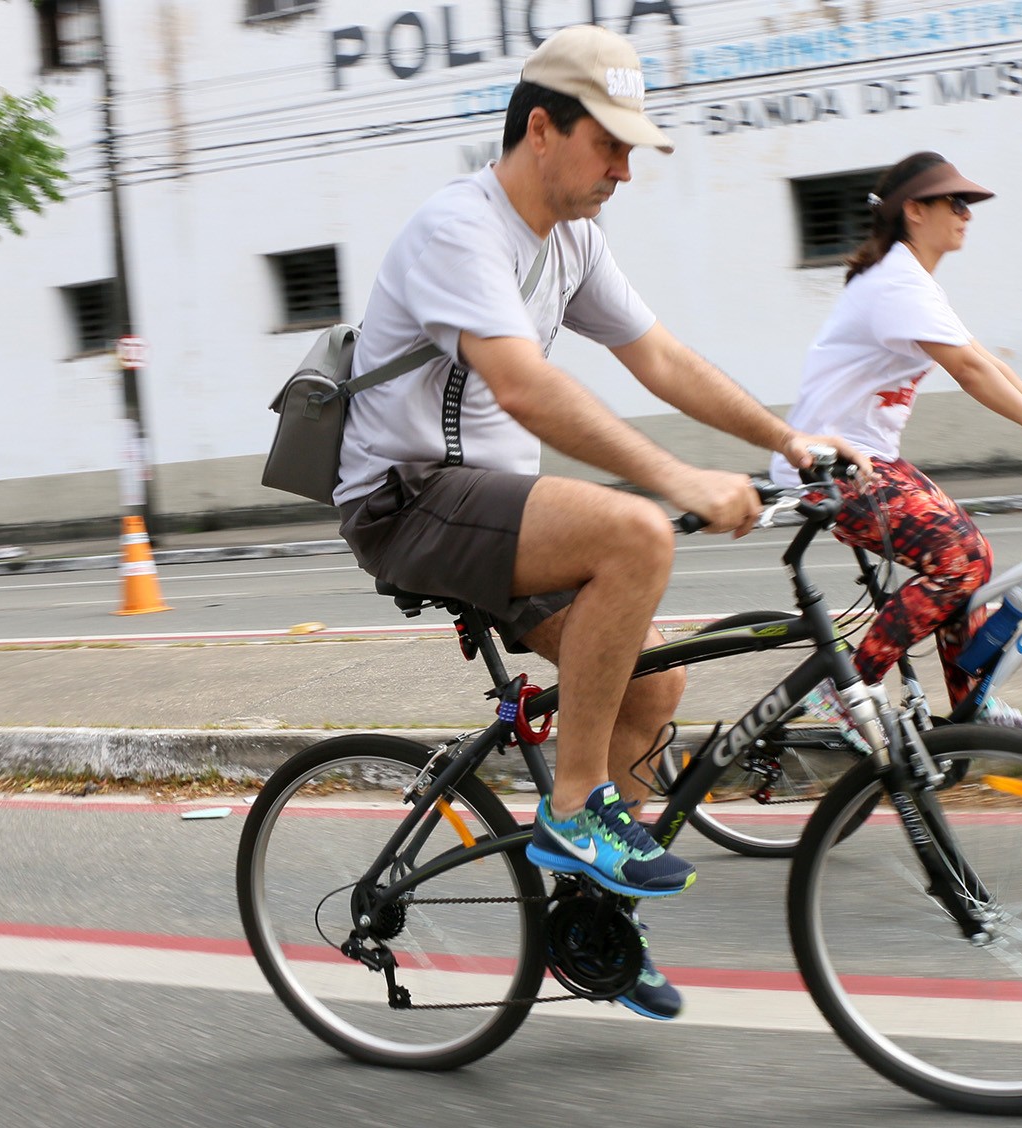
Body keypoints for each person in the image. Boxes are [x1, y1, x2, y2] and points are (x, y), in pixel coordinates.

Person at [335, 24, 867, 1021]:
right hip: (409, 501)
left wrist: (791, 443)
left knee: (653, 684)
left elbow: (661, 359)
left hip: (494, 510)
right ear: (543, 130)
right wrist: (678, 479)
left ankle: (594, 934)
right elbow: (526, 389)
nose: (625, 168)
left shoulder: (572, 239)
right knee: (639, 534)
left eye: (632, 149)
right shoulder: (461, 228)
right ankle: (574, 807)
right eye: (609, 144)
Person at [770, 152, 1022, 720]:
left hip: (870, 460)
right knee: (958, 558)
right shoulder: (895, 284)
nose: (967, 214)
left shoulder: (912, 281)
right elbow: (971, 373)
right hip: (824, 467)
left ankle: (970, 706)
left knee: (969, 558)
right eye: (955, 203)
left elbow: (989, 362)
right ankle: (845, 693)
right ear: (914, 210)